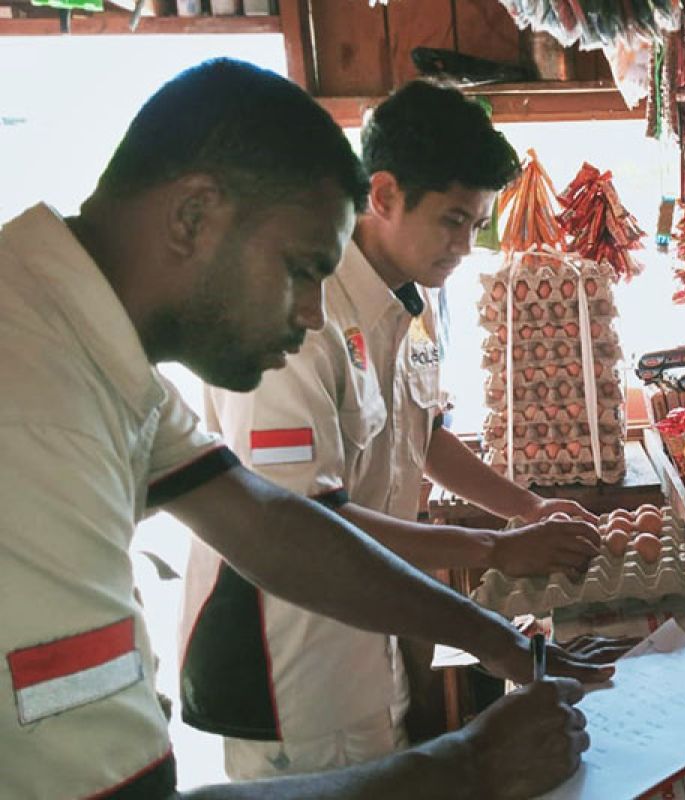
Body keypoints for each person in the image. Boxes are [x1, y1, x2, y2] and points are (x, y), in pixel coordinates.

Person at [0, 59, 610, 800]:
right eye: (299, 269)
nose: (315, 314)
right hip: (293, 678)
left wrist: (500, 642)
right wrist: (466, 767)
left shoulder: (92, 347)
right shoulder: (33, 414)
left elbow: (270, 523)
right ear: (193, 216)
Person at [179, 79, 606, 778]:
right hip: (293, 659)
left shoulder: (410, 299)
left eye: (476, 225)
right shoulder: (298, 320)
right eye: (451, 221)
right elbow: (303, 522)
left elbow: (421, 436)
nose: (465, 246)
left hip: (371, 622)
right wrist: (495, 552)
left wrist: (525, 508)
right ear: (381, 196)